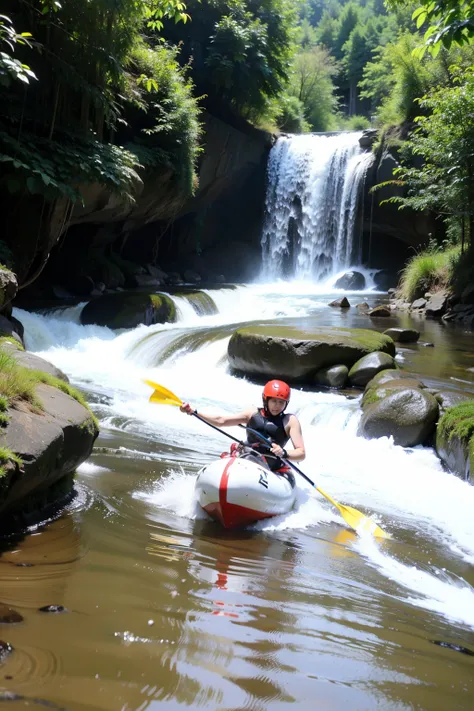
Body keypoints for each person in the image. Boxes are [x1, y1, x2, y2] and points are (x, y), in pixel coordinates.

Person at [180, 380, 305, 472]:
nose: (277, 406)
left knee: (254, 460)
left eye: (281, 402)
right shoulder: (252, 413)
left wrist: (283, 452)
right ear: (265, 400)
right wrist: (194, 412)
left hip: (271, 464)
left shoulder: (290, 421)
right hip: (248, 456)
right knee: (247, 457)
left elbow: (301, 453)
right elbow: (221, 421)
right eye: (274, 401)